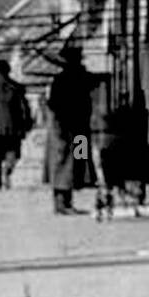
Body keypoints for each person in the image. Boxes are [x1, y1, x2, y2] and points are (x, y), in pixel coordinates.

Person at [46, 43, 94, 215]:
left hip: (71, 128)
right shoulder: (77, 77)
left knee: (73, 162)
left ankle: (64, 202)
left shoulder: (62, 79)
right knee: (69, 162)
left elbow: (52, 104)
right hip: (71, 128)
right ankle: (63, 203)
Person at [0, 59, 32, 189]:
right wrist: (27, 122)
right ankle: (7, 171)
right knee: (12, 152)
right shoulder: (15, 87)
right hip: (11, 126)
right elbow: (24, 107)